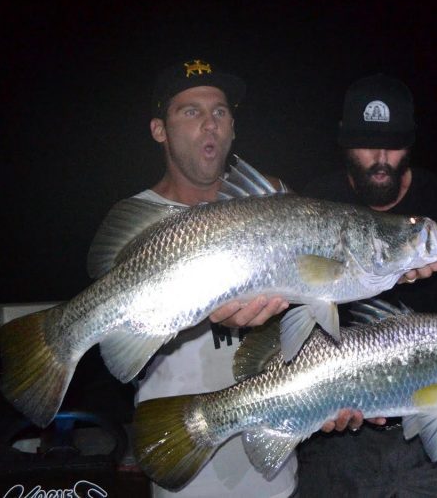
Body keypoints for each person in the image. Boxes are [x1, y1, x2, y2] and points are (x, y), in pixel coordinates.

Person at [89, 59, 363, 497]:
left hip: (274, 449)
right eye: (190, 111)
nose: (209, 124)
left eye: (220, 112)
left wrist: (333, 389)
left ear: (234, 127)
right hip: (182, 447)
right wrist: (207, 315)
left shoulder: (275, 200)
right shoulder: (139, 225)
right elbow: (122, 348)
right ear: (159, 129)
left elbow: (309, 311)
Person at [296, 74, 437, 497]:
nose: (381, 158)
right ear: (342, 142)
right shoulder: (318, 202)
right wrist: (319, 394)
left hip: (436, 399)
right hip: (343, 421)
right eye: (366, 144)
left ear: (411, 142)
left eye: (393, 144)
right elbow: (302, 308)